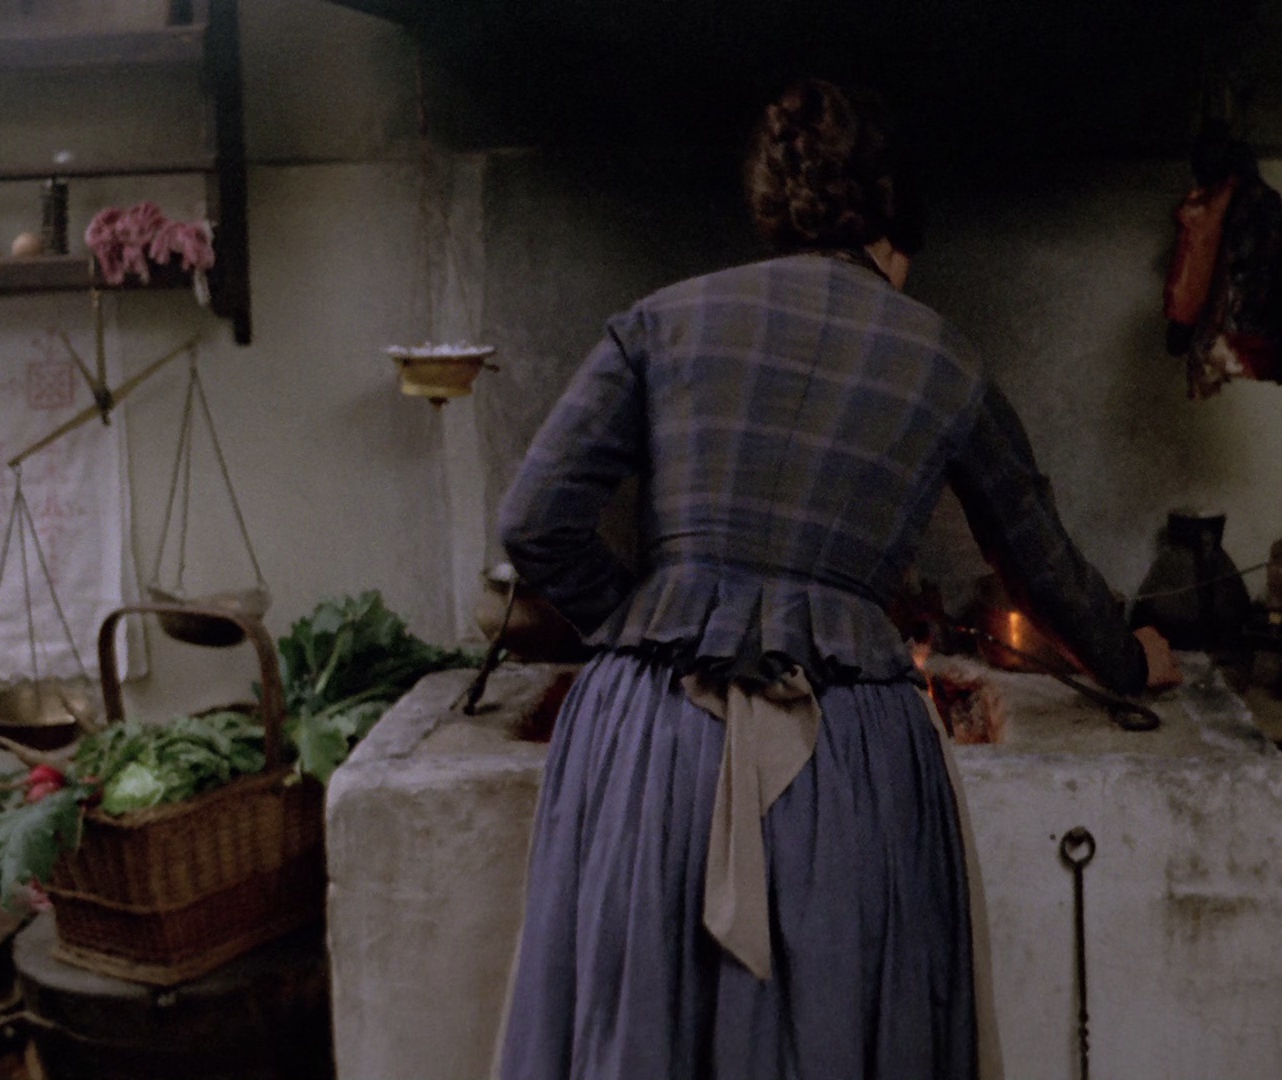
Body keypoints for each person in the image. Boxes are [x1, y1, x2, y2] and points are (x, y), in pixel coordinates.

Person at [495, 77, 1181, 1080]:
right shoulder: (944, 360)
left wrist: (651, 622)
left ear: (777, 210)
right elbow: (1040, 565)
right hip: (840, 754)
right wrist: (1129, 661)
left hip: (648, 738)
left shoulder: (661, 319)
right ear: (898, 227)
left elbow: (532, 521)